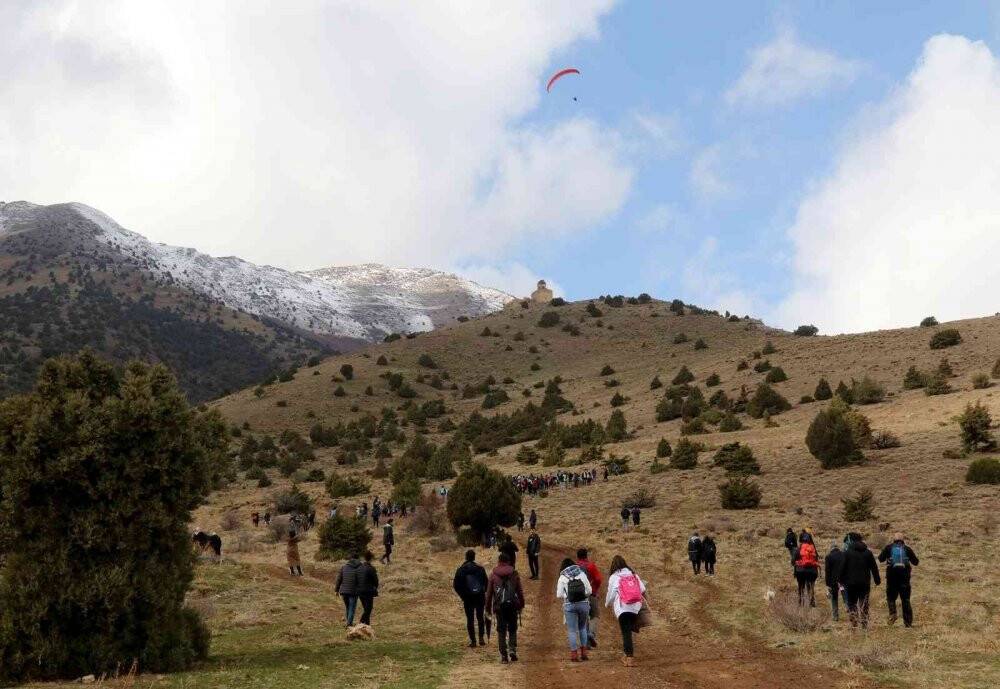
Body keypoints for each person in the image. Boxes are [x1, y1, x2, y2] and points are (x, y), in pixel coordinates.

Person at [605, 555, 645, 667]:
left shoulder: (614, 577)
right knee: (628, 631)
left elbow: (611, 594)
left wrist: (607, 603)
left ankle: (629, 657)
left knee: (625, 632)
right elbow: (642, 589)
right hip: (635, 607)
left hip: (623, 607)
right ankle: (627, 654)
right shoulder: (633, 574)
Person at [485, 552, 525, 664]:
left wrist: (487, 608)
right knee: (512, 628)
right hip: (512, 605)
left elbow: (489, 594)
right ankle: (512, 649)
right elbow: (520, 591)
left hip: (499, 607)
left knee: (501, 630)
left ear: (499, 561)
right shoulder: (514, 574)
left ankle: (503, 656)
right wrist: (521, 604)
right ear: (508, 561)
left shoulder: (493, 575)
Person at [836, 532, 880, 629]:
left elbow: (841, 568)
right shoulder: (868, 552)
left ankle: (854, 622)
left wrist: (839, 580)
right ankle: (864, 623)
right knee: (864, 603)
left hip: (850, 583)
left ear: (851, 540)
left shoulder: (847, 553)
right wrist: (877, 580)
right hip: (865, 583)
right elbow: (874, 567)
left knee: (852, 603)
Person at [877, 533, 919, 627]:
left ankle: (893, 613)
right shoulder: (907, 549)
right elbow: (916, 562)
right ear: (903, 540)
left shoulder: (888, 548)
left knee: (891, 598)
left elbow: (880, 559)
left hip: (891, 578)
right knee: (906, 600)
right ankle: (908, 623)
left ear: (894, 540)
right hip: (904, 579)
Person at [556, 557, 592, 662]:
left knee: (572, 630)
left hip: (569, 605)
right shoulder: (582, 574)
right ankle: (584, 653)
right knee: (582, 628)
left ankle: (574, 655)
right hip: (584, 604)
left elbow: (558, 595)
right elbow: (589, 590)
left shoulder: (562, 577)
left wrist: (567, 595)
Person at [453, 549, 488, 647]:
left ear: (466, 557)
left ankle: (473, 641)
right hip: (480, 597)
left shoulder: (461, 570)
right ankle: (481, 638)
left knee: (470, 619)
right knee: (480, 617)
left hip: (468, 598)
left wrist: (463, 596)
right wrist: (481, 591)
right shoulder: (480, 569)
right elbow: (486, 583)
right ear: (474, 557)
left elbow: (456, 585)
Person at [576, 548, 602, 649]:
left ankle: (585, 642)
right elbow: (598, 579)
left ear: (577, 556)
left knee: (583, 618)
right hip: (591, 594)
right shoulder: (591, 566)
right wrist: (594, 590)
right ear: (586, 556)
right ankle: (591, 634)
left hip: (579, 596)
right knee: (595, 615)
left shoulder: (575, 567)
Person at [791, 532, 820, 607]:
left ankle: (801, 601)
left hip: (801, 570)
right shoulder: (812, 548)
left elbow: (793, 561)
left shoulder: (799, 548)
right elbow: (816, 558)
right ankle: (812, 599)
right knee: (811, 584)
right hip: (812, 571)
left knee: (801, 585)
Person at [335, 553, 363, 627]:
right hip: (354, 591)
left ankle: (348, 622)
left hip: (344, 591)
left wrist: (336, 590)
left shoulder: (344, 567)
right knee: (352, 608)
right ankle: (349, 624)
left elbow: (339, 579)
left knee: (348, 607)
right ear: (358, 559)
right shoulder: (360, 567)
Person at [824, 540, 845, 621]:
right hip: (843, 579)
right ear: (838, 547)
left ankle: (835, 616)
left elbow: (827, 571)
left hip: (833, 581)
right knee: (845, 595)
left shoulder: (829, 557)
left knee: (834, 598)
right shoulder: (843, 555)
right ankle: (848, 609)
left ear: (831, 548)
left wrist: (827, 583)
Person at [357, 550, 379, 626]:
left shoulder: (359, 568)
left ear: (364, 558)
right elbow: (376, 581)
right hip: (368, 591)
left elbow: (356, 579)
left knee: (366, 609)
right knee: (368, 609)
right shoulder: (371, 568)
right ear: (371, 558)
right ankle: (360, 623)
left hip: (359, 591)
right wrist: (374, 587)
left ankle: (367, 626)